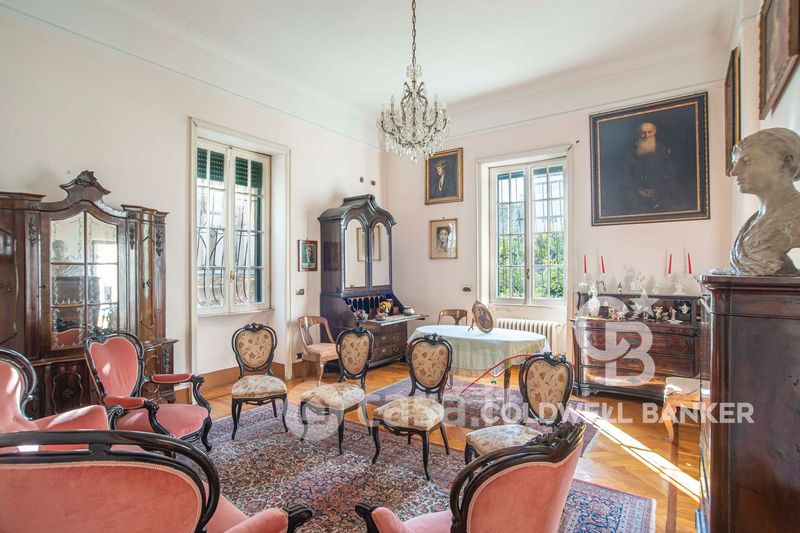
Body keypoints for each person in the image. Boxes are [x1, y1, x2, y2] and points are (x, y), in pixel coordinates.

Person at [728, 128, 800, 276]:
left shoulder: (796, 215)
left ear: (786, 162)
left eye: (747, 161)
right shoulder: (755, 220)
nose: (733, 171)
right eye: (735, 163)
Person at [623, 121, 679, 212]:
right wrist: (638, 190)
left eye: (649, 132)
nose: (647, 136)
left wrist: (656, 190)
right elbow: (624, 177)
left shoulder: (662, 151)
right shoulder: (630, 154)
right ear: (639, 135)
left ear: (654, 133)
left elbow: (669, 173)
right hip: (636, 194)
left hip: (660, 192)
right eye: (643, 133)